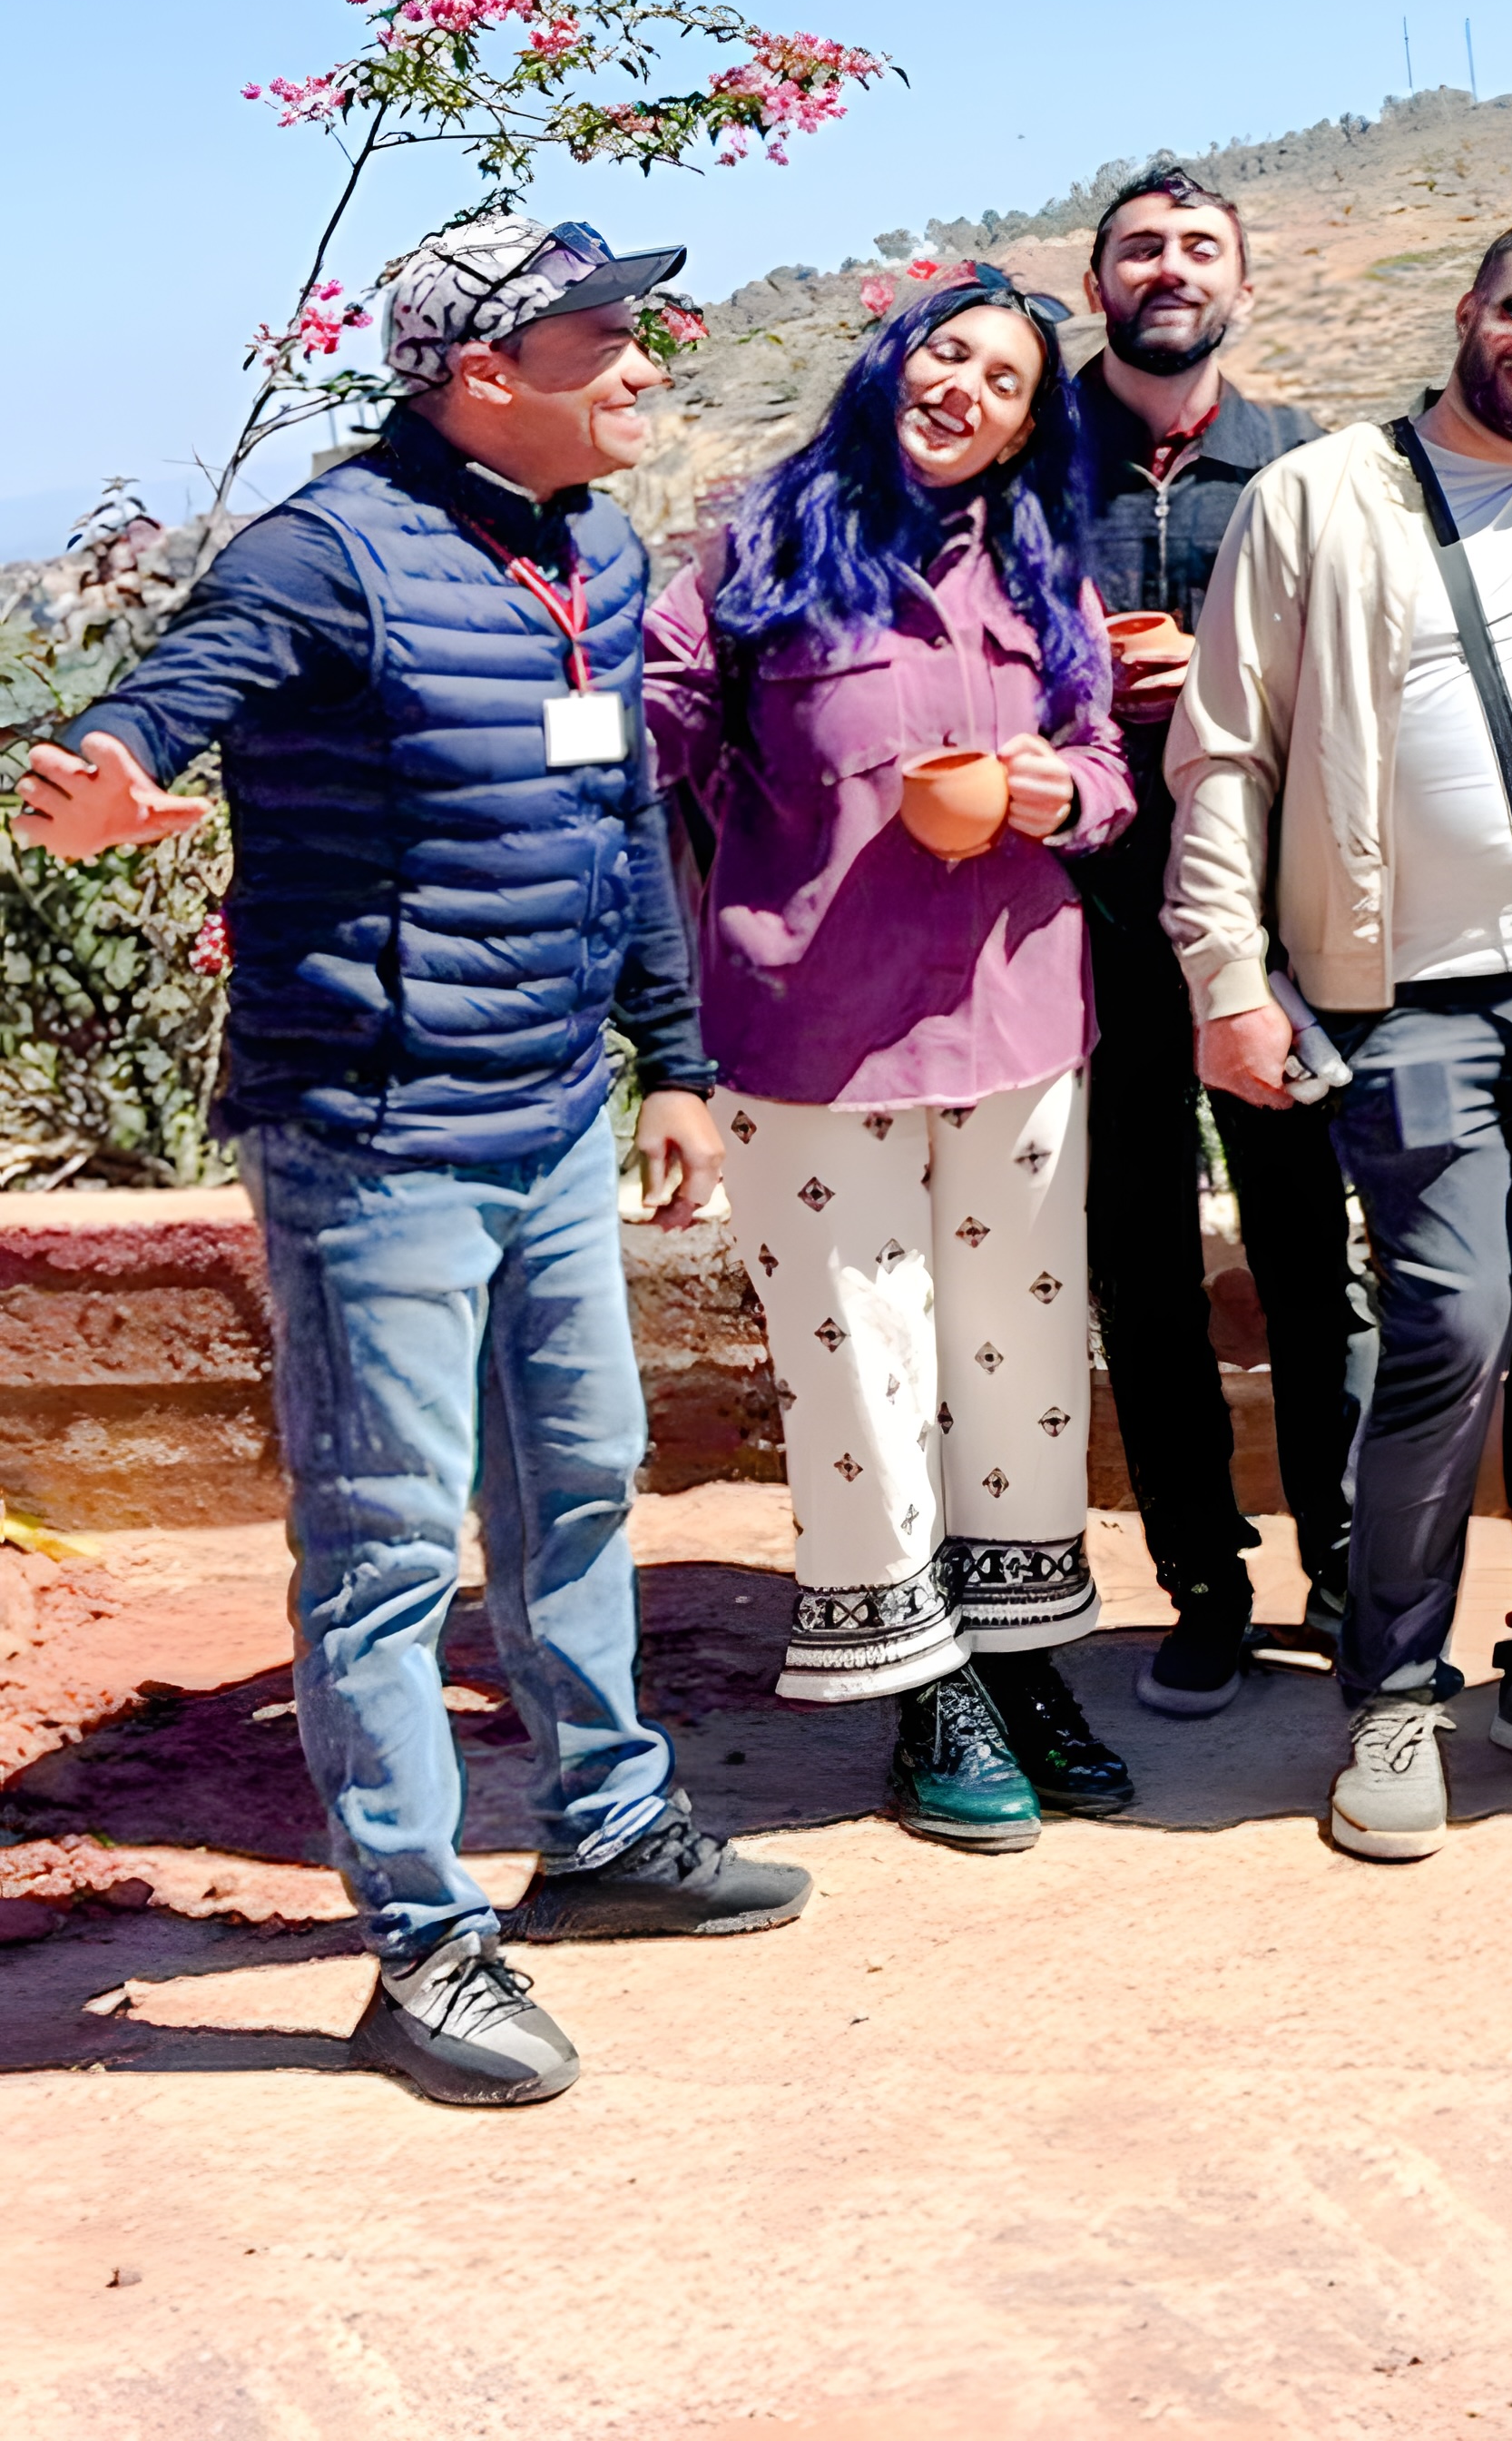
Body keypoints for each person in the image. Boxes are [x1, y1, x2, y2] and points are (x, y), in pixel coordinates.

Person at [25, 218, 808, 2102]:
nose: (640, 357)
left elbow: (623, 809)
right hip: (373, 1129)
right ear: (482, 372)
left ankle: (609, 1829)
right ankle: (422, 1941)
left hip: (545, 1114)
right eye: (597, 333)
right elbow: (171, 690)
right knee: (382, 1544)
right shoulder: (327, 550)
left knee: (583, 1479)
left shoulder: (592, 549)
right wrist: (114, 776)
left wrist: (674, 1059)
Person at [1167, 212, 1512, 1860]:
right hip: (1412, 999)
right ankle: (1395, 1688)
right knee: (1454, 1322)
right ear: (1468, 311)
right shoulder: (1320, 496)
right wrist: (1224, 971)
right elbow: (1226, 749)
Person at [642, 268, 1138, 1848]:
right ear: (894, 360)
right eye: (952, 354)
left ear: (1024, 426)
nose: (969, 391)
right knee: (861, 1359)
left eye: (1007, 381)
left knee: (1019, 1357)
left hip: (1017, 1014)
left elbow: (1111, 763)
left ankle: (1019, 1653)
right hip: (813, 1028)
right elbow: (645, 729)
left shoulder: (1044, 569)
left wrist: (1063, 793)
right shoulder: (754, 549)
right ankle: (926, 1689)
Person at [1055, 164, 1369, 1718]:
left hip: (1276, 929)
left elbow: (1388, 670)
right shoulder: (1027, 463)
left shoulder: (1309, 467)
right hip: (1078, 930)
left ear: (1241, 281)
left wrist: (1234, 678)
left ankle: (1349, 1559)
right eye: (1140, 248)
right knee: (1140, 1266)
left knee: (1312, 1253)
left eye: (1198, 248)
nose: (1168, 269)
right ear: (1095, 277)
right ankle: (1203, 1584)